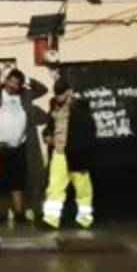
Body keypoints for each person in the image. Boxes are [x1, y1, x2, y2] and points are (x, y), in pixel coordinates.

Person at [0, 69, 47, 225]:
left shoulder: (24, 96)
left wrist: (29, 80)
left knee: (18, 182)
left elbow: (43, 90)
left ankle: (19, 212)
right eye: (11, 81)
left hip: (19, 147)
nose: (14, 85)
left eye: (17, 83)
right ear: (6, 80)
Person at [42, 77, 96, 229]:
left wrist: (83, 151)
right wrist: (47, 134)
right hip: (59, 152)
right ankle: (51, 219)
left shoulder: (81, 108)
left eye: (61, 93)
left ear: (69, 92)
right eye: (57, 93)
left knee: (82, 188)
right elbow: (49, 125)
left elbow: (88, 131)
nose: (59, 97)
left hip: (77, 153)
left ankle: (84, 219)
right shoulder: (54, 107)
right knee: (54, 187)